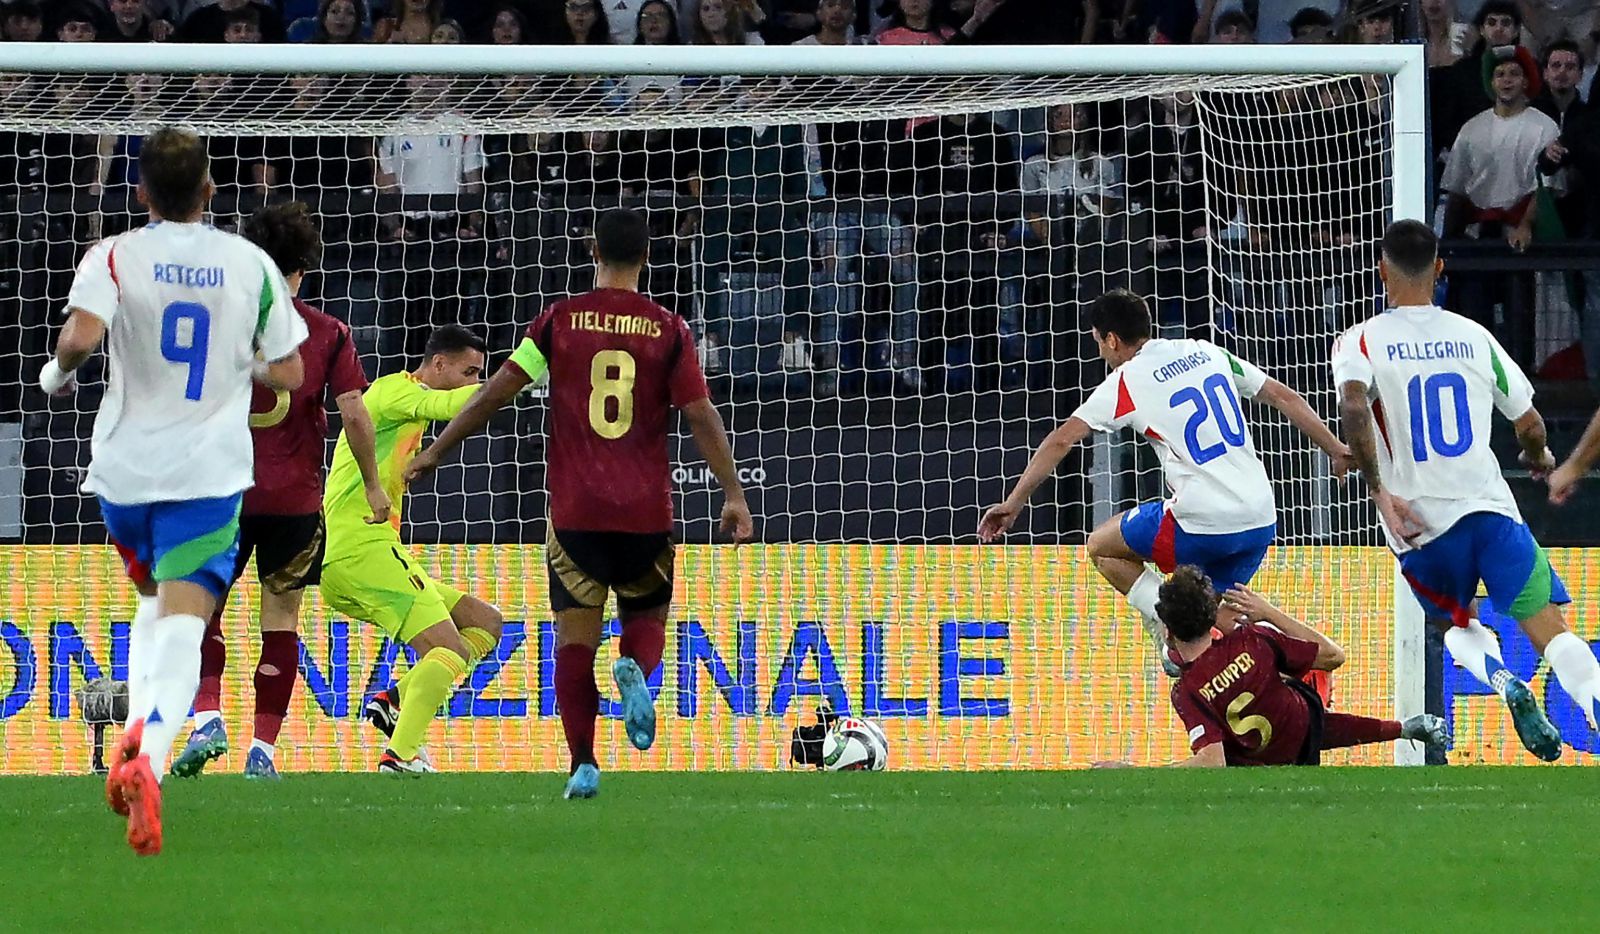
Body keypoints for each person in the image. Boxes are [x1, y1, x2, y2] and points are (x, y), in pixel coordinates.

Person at [405, 208, 754, 799]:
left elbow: (496, 391)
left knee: (574, 641)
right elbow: (699, 412)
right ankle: (636, 672)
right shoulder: (669, 328)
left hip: (575, 513)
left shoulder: (558, 322)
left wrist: (437, 449)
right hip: (644, 510)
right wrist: (733, 493)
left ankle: (583, 764)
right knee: (645, 621)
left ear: (592, 250)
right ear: (647, 256)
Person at [38, 127, 309, 854]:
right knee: (184, 624)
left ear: (141, 192)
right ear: (211, 190)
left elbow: (79, 339)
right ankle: (148, 758)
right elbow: (289, 374)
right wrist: (241, 359)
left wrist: (55, 377)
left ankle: (136, 736)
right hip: (206, 475)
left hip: (124, 474)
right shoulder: (249, 262)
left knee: (150, 604)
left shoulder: (115, 254)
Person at [1333, 219, 1600, 762]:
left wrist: (1380, 493)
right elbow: (1528, 423)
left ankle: (1503, 682)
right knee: (1554, 631)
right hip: (1490, 512)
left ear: (1382, 272)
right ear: (1440, 269)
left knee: (1453, 620)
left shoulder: (1361, 340)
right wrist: (1540, 458)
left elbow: (1354, 406)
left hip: (1422, 525)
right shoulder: (1474, 336)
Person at [978, 290, 1352, 675]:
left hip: (1201, 521)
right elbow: (1283, 396)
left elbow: (1061, 440)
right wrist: (1336, 449)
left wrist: (1014, 501)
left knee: (1102, 547)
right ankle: (1305, 667)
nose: (1101, 354)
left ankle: (1163, 616)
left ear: (1111, 339)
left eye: (1098, 342)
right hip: (1259, 519)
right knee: (1214, 617)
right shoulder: (1206, 352)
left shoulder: (1127, 380)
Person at [169, 203, 385, 782]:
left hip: (224, 496)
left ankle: (208, 717)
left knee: (198, 612)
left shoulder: (218, 324)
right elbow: (356, 415)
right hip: (293, 502)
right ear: (304, 269)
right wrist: (372, 485)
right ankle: (262, 751)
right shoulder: (329, 332)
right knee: (281, 618)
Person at [315, 325, 504, 774]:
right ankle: (399, 756)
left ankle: (393, 701)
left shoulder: (401, 406)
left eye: (481, 373)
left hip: (364, 551)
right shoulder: (395, 392)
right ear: (438, 364)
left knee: (485, 623)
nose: (474, 380)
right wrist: (515, 379)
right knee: (449, 649)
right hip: (360, 547)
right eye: (469, 371)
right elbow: (447, 404)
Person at [1097, 568, 1450, 767]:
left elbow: (1211, 762)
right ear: (1212, 620)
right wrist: (1267, 612)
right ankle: (1405, 728)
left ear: (1170, 632)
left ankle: (1405, 728)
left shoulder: (1187, 692)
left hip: (1258, 761)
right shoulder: (1255, 639)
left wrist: (1135, 771)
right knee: (1305, 710)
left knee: (1278, 715)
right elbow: (1334, 656)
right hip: (1301, 731)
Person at [1439, 46, 1558, 370]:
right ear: (1491, 81)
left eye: (1514, 74)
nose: (1507, 80)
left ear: (1526, 81)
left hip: (1519, 241)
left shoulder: (1543, 127)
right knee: (1473, 322)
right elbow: (1457, 191)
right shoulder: (1472, 129)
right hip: (1477, 239)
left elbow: (1544, 187)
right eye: (1500, 73)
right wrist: (1447, 242)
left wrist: (1526, 225)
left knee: (1521, 327)